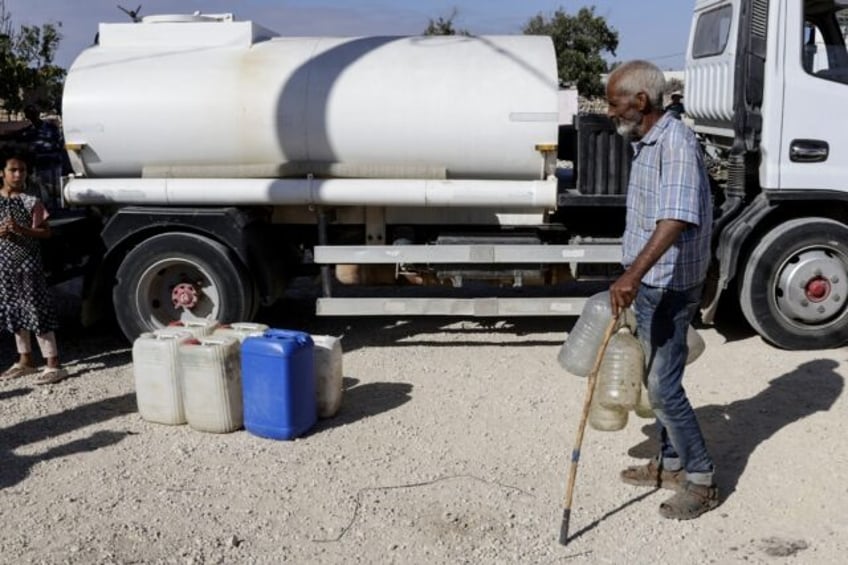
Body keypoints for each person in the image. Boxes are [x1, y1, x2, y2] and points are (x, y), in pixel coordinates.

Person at [606, 61, 717, 519]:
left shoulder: (674, 142)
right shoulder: (648, 141)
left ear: (641, 102)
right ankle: (670, 462)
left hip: (668, 285)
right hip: (653, 282)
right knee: (661, 377)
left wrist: (631, 275)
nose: (610, 112)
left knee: (662, 387)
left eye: (615, 103)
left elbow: (674, 218)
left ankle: (702, 479)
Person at [0, 147, 67, 385]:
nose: (18, 175)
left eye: (23, 170)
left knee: (37, 309)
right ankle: (25, 360)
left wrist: (21, 230)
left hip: (28, 265)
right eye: (13, 170)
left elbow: (46, 232)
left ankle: (53, 363)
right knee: (14, 311)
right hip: (5, 266)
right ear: (2, 173)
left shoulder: (31, 201)